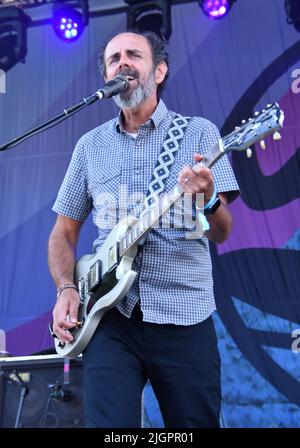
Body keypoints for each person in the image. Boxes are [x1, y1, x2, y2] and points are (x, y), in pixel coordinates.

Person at [48, 30, 239, 428]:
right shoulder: (90, 146)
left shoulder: (198, 133)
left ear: (160, 70)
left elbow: (222, 231)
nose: (122, 63)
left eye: (133, 54)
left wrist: (206, 198)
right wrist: (67, 287)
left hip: (184, 312)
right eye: (114, 58)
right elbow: (63, 233)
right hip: (109, 317)